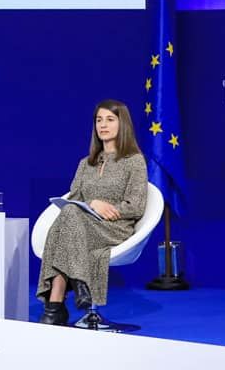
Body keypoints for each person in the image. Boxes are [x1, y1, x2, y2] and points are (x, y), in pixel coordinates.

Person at [36, 99, 148, 326]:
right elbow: (73, 200)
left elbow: (136, 205)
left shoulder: (134, 161)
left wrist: (109, 209)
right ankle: (70, 292)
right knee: (69, 215)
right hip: (82, 225)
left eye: (110, 119)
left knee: (66, 224)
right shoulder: (85, 164)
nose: (103, 125)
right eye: (99, 120)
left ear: (122, 124)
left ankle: (58, 302)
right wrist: (93, 203)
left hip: (113, 227)